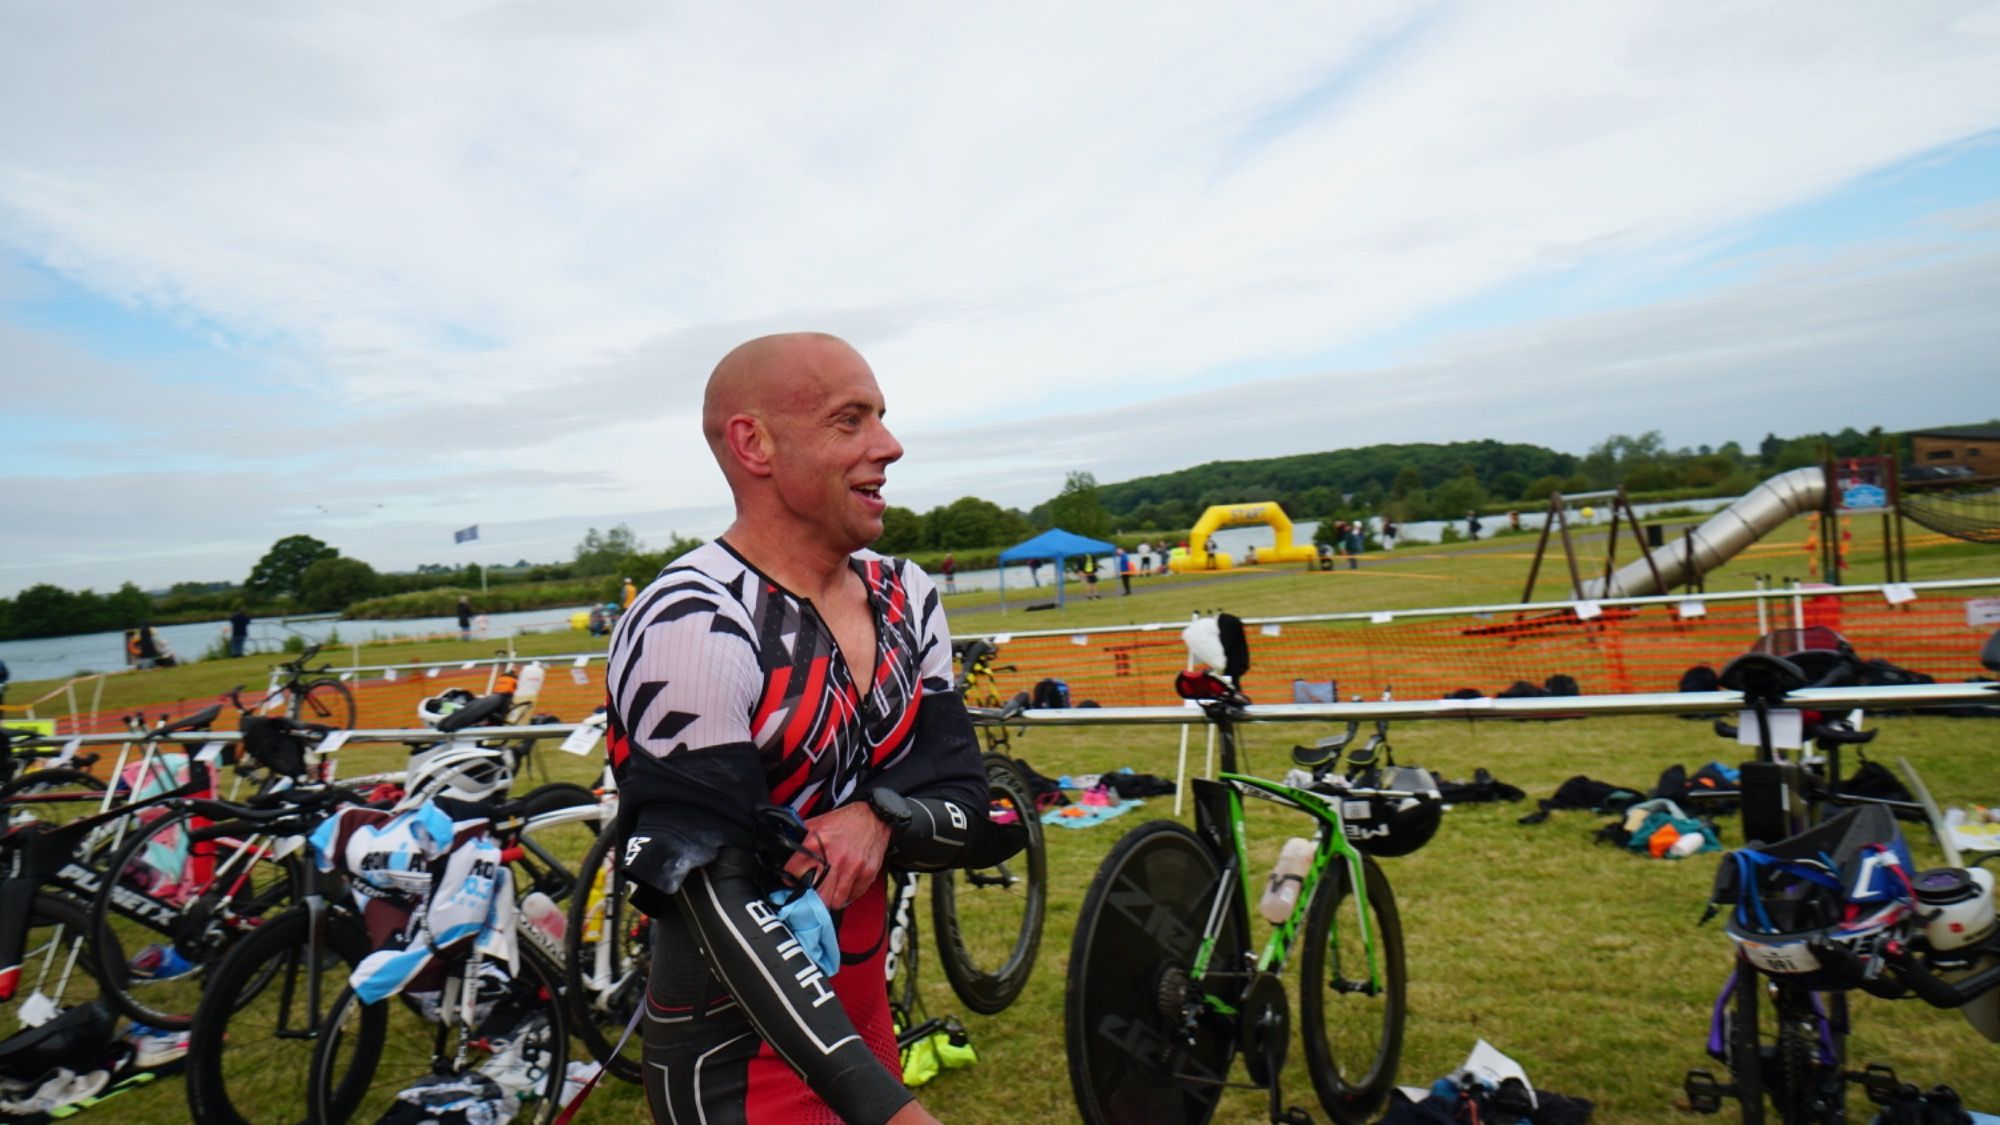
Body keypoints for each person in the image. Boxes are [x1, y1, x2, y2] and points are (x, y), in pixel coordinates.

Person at [608, 333, 994, 1125]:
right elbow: (709, 890)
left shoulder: (906, 594)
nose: (889, 445)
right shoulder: (692, 617)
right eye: (850, 420)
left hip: (861, 1019)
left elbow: (972, 803)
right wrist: (887, 1108)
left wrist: (878, 815)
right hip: (739, 1061)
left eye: (881, 415)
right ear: (754, 443)